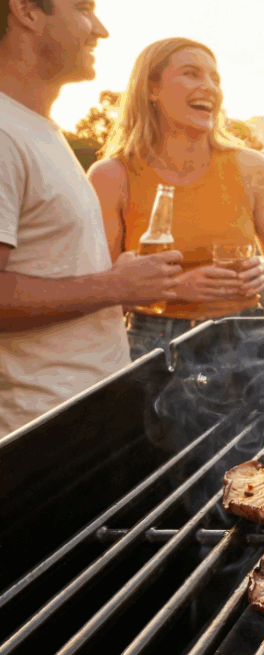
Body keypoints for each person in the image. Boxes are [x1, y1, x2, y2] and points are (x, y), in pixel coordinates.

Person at [0, 0, 184, 437]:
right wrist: (116, 286)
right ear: (26, 10)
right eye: (83, 9)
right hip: (41, 428)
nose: (99, 29)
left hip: (86, 408)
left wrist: (114, 278)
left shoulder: (38, 128)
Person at [90, 37, 264, 357]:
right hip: (153, 344)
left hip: (245, 338)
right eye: (191, 74)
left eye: (215, 79)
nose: (209, 87)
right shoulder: (111, 176)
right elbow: (101, 290)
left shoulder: (252, 166)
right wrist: (175, 289)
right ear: (151, 89)